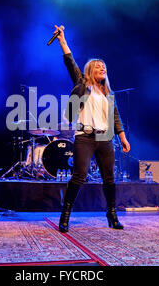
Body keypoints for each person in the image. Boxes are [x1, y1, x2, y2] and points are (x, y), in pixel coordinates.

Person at [53, 25, 130, 233]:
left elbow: (115, 116)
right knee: (79, 176)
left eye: (104, 67)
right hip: (85, 137)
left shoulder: (108, 92)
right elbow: (70, 62)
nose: (102, 69)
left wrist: (122, 137)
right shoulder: (82, 83)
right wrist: (62, 41)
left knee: (109, 178)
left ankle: (112, 214)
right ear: (90, 71)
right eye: (98, 67)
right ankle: (65, 214)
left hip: (105, 138)